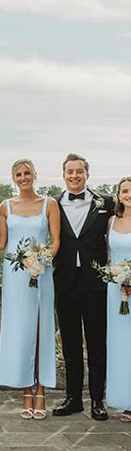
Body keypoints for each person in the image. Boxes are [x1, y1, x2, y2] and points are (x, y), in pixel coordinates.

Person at [0, 160, 60, 419]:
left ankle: (41, 390)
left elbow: (56, 241)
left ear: (35, 175)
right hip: (14, 278)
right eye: (18, 174)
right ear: (13, 178)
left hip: (41, 274)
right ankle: (25, 390)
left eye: (27, 173)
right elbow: (1, 243)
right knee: (20, 330)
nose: (23, 178)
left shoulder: (49, 204)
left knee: (41, 328)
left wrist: (41, 261)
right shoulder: (5, 206)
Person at [52, 153, 114, 421]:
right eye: (69, 172)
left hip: (96, 283)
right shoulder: (53, 204)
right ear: (63, 175)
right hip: (65, 282)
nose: (74, 176)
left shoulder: (106, 203)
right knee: (70, 344)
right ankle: (73, 398)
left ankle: (97, 400)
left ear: (87, 174)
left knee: (97, 343)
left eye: (79, 171)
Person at [106, 176, 131, 422]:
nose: (128, 195)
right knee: (120, 345)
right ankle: (124, 399)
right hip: (115, 291)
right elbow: (108, 255)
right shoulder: (111, 221)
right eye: (124, 191)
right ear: (118, 194)